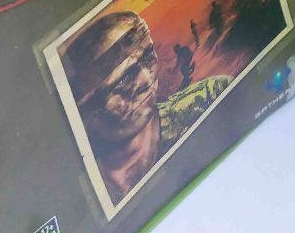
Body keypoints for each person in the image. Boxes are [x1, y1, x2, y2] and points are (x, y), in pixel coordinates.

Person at [61, 11, 230, 204]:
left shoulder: (209, 97)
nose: (146, 79)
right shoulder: (90, 195)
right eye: (125, 78)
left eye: (148, 56)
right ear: (87, 109)